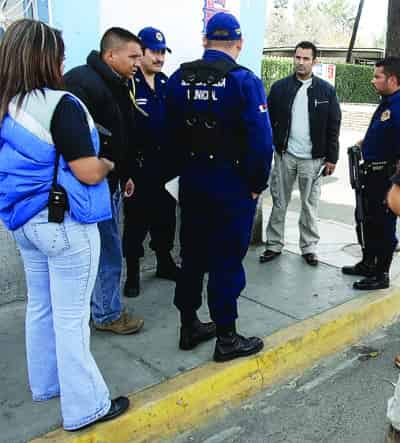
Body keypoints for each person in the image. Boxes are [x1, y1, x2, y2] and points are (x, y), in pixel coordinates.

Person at [0, 19, 129, 431]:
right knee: (72, 319)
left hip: (25, 224)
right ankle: (85, 407)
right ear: (47, 59)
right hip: (66, 226)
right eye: (59, 55)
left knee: (41, 306)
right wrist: (109, 163)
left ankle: (47, 384)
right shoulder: (62, 104)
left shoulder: (10, 104)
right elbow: (87, 171)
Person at [165, 12, 273, 362]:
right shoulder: (244, 81)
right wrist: (257, 184)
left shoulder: (179, 78)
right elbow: (261, 142)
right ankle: (226, 338)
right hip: (232, 185)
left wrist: (183, 173)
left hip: (193, 182)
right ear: (239, 44)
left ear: (205, 40)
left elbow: (166, 135)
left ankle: (188, 325)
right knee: (226, 260)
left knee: (192, 254)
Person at [64, 28, 144, 334]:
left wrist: (125, 174)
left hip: (110, 183)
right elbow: (79, 139)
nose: (138, 61)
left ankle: (99, 309)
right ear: (111, 55)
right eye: (133, 56)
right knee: (107, 251)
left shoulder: (117, 83)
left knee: (104, 250)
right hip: (91, 186)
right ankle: (107, 314)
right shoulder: (82, 83)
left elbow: (121, 134)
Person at [259, 41, 341, 267]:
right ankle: (274, 245)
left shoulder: (326, 90)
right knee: (279, 202)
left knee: (309, 204)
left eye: (306, 59)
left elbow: (334, 125)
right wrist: (273, 147)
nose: (301, 62)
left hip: (313, 160)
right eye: (298, 57)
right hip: (286, 156)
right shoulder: (280, 88)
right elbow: (267, 121)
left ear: (314, 62)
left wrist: (332, 157)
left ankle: (309, 248)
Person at [123, 26, 179, 298]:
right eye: (154, 52)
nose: (159, 58)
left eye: (162, 52)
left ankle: (164, 263)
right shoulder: (129, 86)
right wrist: (127, 173)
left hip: (166, 168)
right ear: (140, 52)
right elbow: (123, 130)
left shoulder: (167, 83)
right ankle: (132, 273)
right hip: (140, 169)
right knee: (136, 224)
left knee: (165, 219)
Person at [342, 57, 400, 291]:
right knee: (366, 219)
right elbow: (383, 133)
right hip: (371, 174)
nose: (373, 80)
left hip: (386, 176)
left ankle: (381, 273)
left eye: (378, 76)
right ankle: (368, 262)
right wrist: (364, 143)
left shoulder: (398, 105)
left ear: (393, 79)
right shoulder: (387, 103)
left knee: (383, 225)